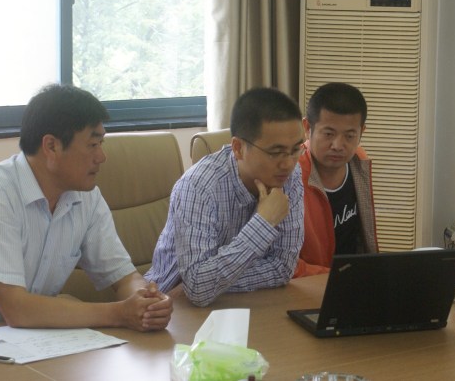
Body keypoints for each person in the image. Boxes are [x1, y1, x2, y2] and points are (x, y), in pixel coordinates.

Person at [0, 84, 172, 335]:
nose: (101, 157)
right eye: (93, 145)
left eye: (101, 144)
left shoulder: (87, 198)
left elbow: (123, 277)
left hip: (12, 339)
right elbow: (16, 308)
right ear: (51, 146)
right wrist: (119, 314)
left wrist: (146, 301)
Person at [146, 87, 305, 306]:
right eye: (275, 152)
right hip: (168, 306)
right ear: (238, 148)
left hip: (241, 301)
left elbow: (283, 268)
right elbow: (199, 287)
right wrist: (263, 223)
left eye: (296, 150)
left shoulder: (290, 176)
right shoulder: (198, 186)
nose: (288, 163)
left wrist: (214, 283)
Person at [294, 82, 378, 277]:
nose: (338, 145)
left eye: (349, 136)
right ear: (307, 127)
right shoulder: (290, 176)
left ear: (361, 132)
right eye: (329, 134)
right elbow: (282, 264)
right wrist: (334, 276)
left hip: (354, 281)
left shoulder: (359, 162)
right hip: (311, 285)